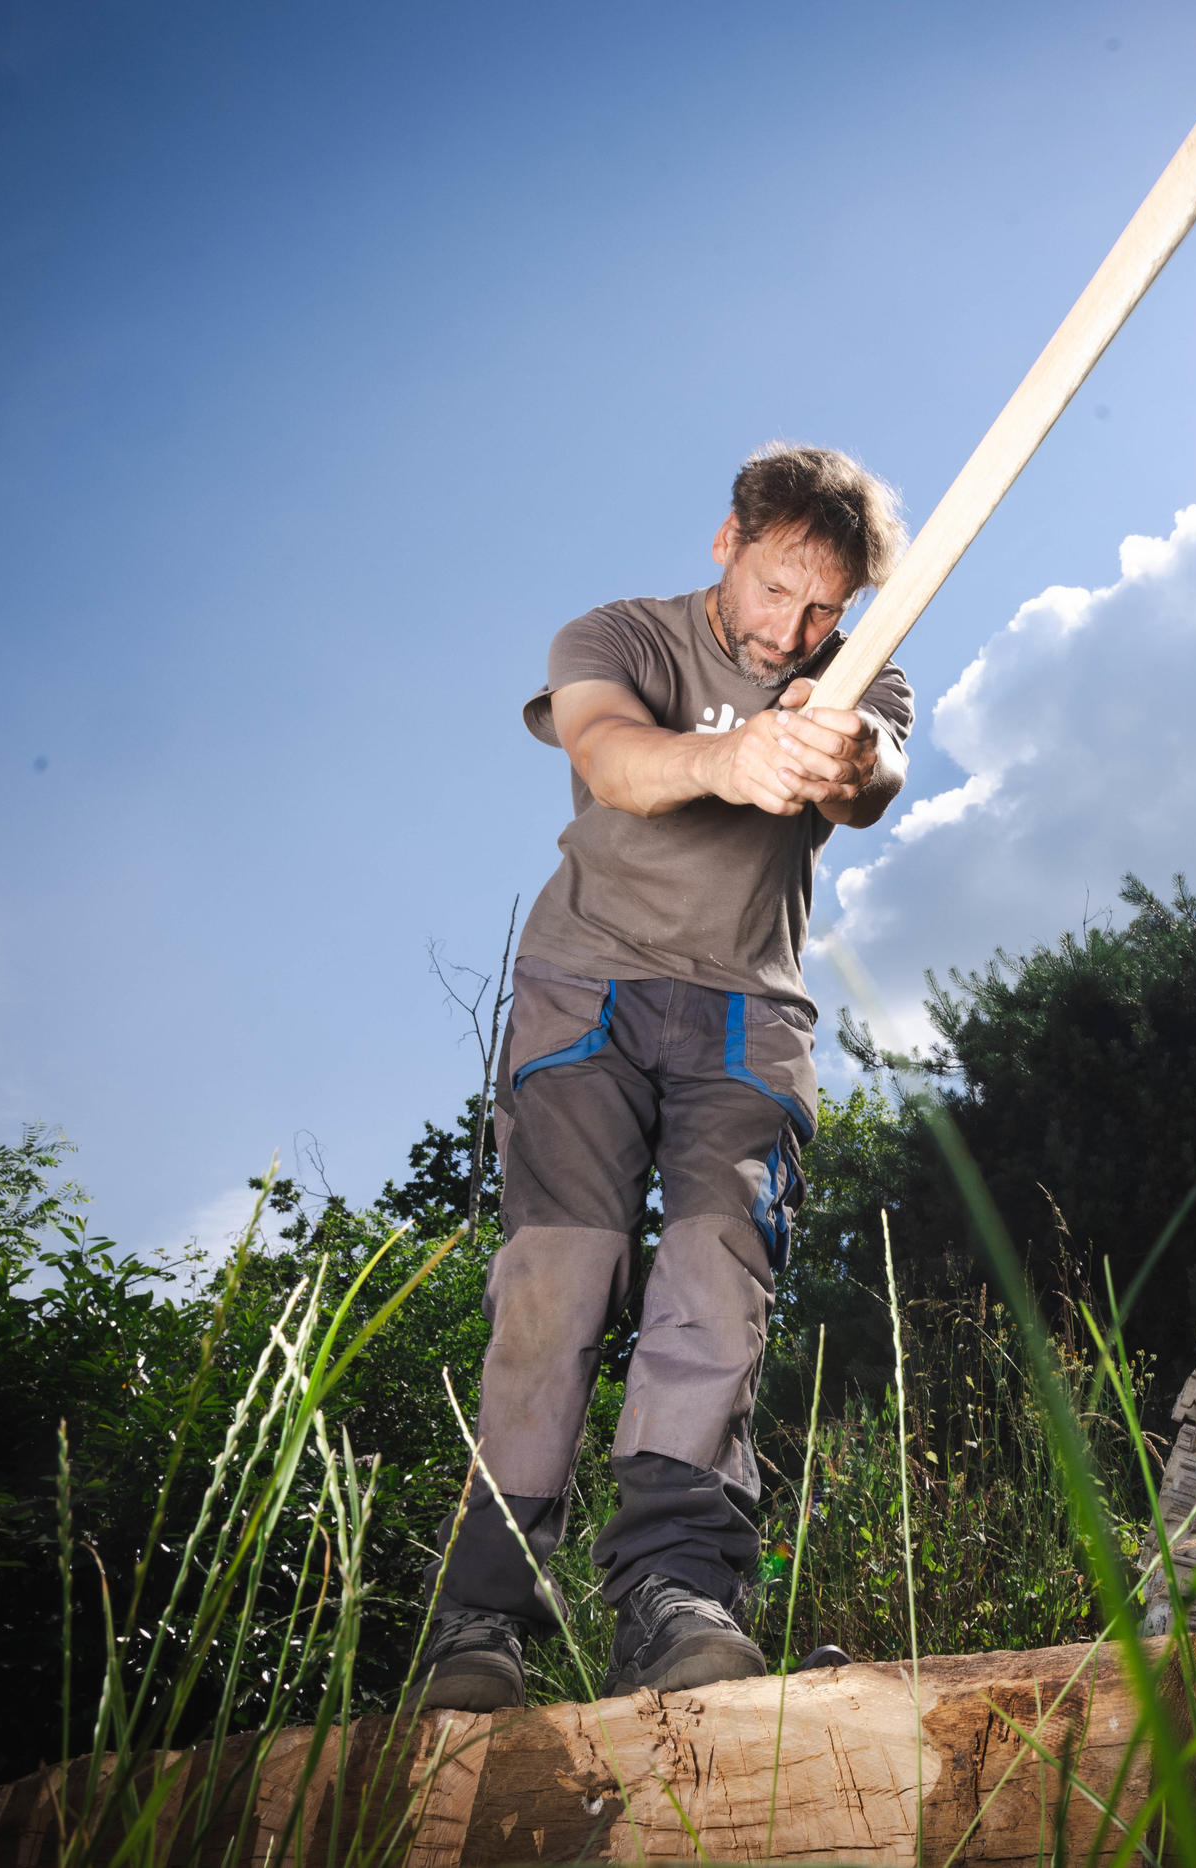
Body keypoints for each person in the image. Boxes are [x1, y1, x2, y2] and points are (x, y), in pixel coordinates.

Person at [411, 444, 912, 1711]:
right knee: (557, 1283)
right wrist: (730, 759)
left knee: (714, 1273)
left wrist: (843, 757)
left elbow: (874, 778)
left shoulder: (852, 667)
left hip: (748, 1011)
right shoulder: (615, 634)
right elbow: (613, 757)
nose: (791, 629)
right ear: (724, 544)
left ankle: (676, 1596)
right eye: (774, 589)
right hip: (588, 989)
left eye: (822, 610)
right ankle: (478, 1621)